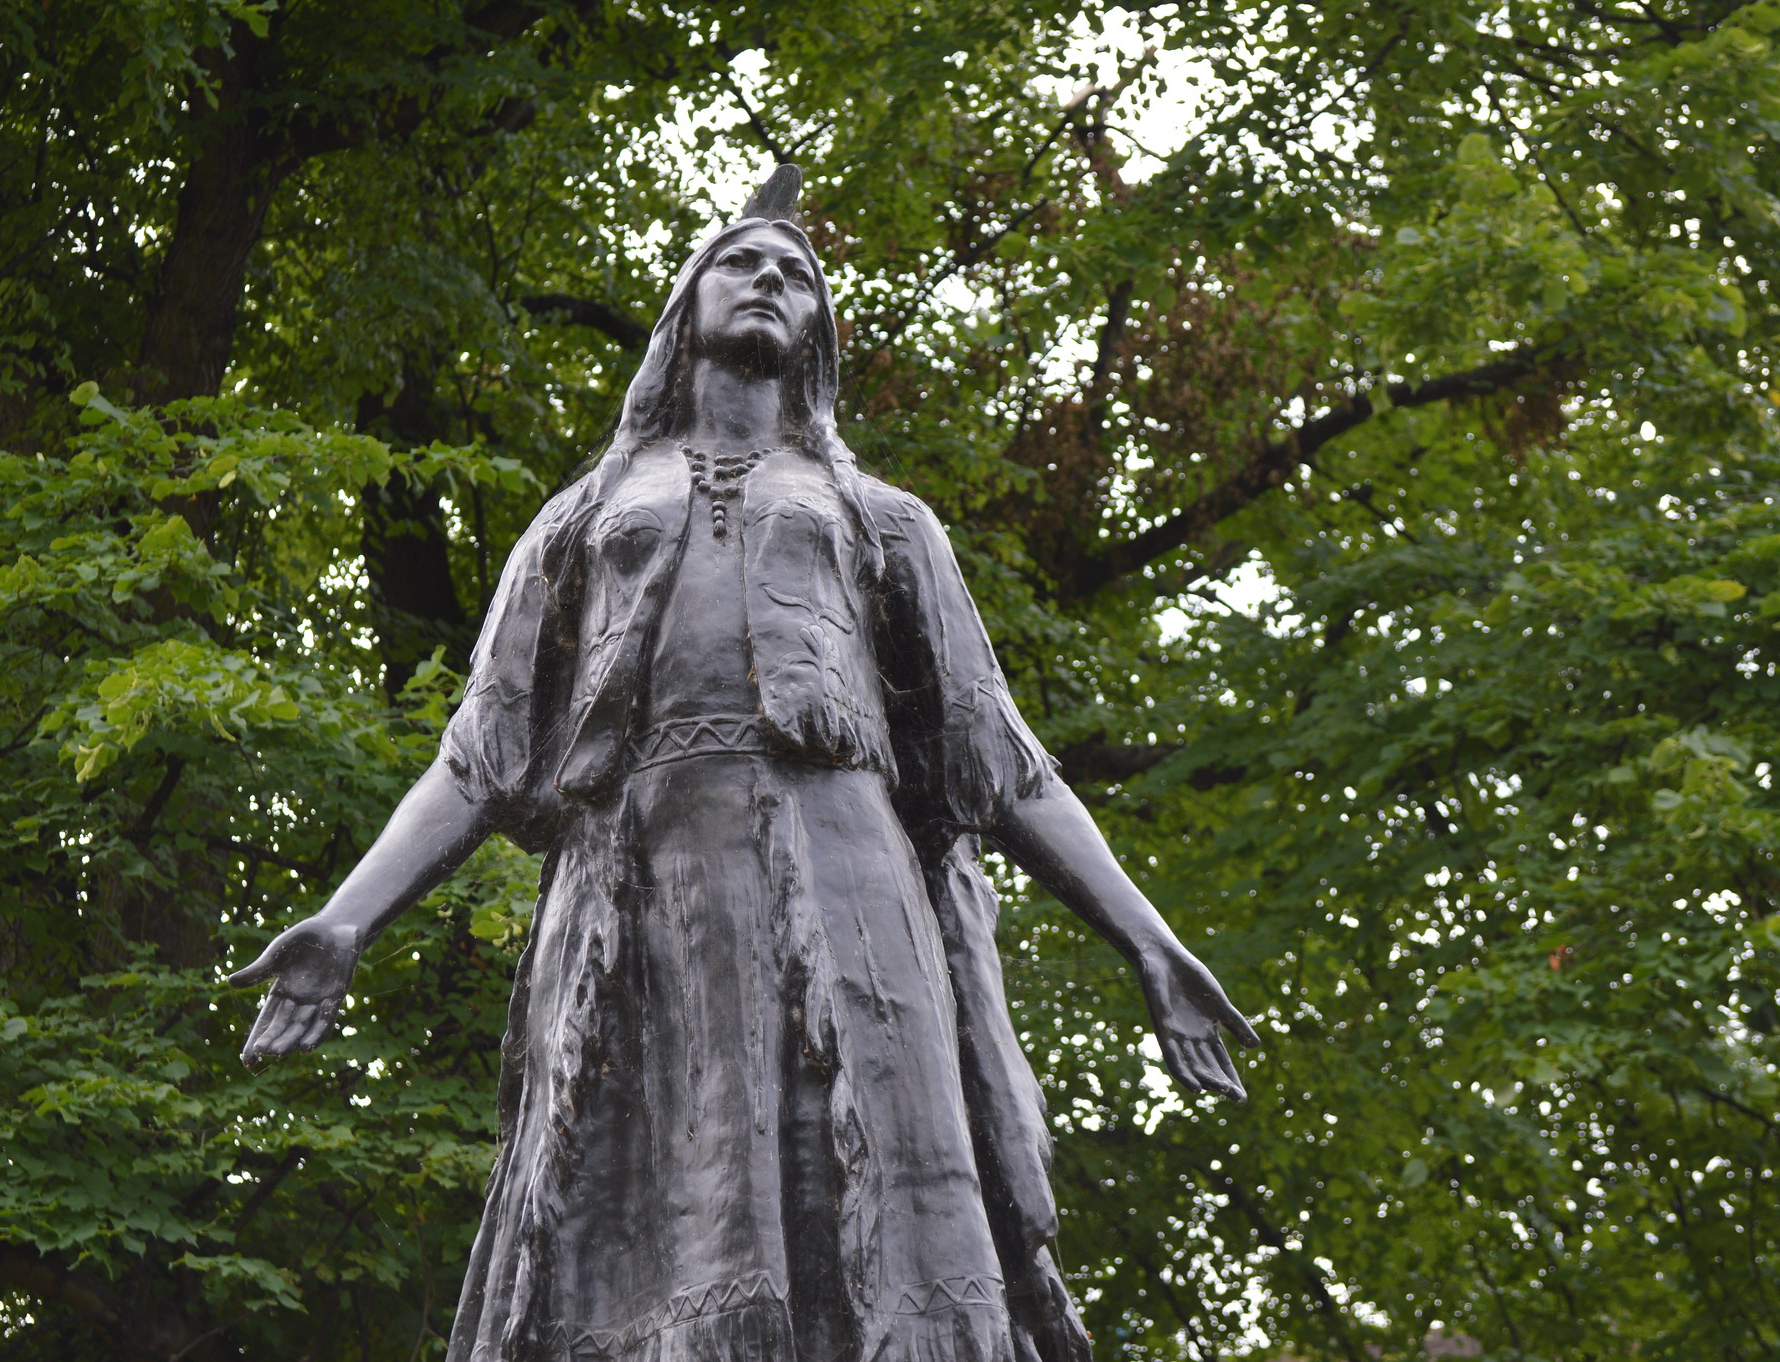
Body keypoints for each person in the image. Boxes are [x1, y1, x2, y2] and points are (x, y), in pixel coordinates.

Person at [230, 166, 1257, 1362]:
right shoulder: (582, 513)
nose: (769, 279)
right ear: (688, 304)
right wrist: (345, 921)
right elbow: (479, 756)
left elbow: (1004, 762)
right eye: (740, 263)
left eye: (795, 276)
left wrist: (1147, 941)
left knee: (876, 1202)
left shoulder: (883, 518)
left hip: (848, 876)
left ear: (816, 330)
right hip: (639, 887)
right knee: (641, 1228)